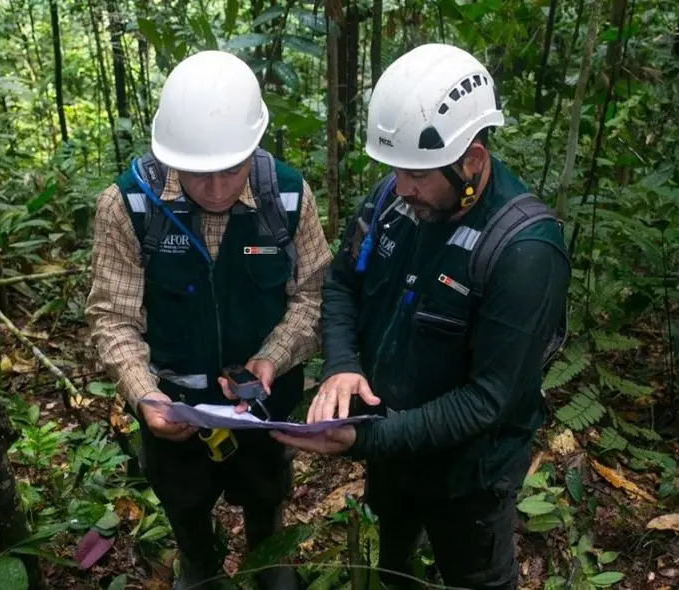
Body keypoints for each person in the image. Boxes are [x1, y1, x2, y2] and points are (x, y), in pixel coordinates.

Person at [270, 43, 572, 589]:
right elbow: (342, 283)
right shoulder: (394, 200)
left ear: (473, 159)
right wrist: (342, 365)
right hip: (390, 450)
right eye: (395, 170)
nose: (402, 188)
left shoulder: (524, 252)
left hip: (468, 473)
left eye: (418, 174)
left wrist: (364, 440)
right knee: (394, 564)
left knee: (475, 576)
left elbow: (487, 399)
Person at [85, 50, 333, 590]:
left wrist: (273, 356)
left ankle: (268, 555)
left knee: (266, 493)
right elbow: (113, 318)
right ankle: (198, 560)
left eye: (232, 169)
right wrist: (145, 395)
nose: (217, 189)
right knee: (184, 504)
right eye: (199, 173)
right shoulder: (128, 206)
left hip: (264, 410)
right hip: (175, 408)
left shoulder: (287, 197)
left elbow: (314, 297)